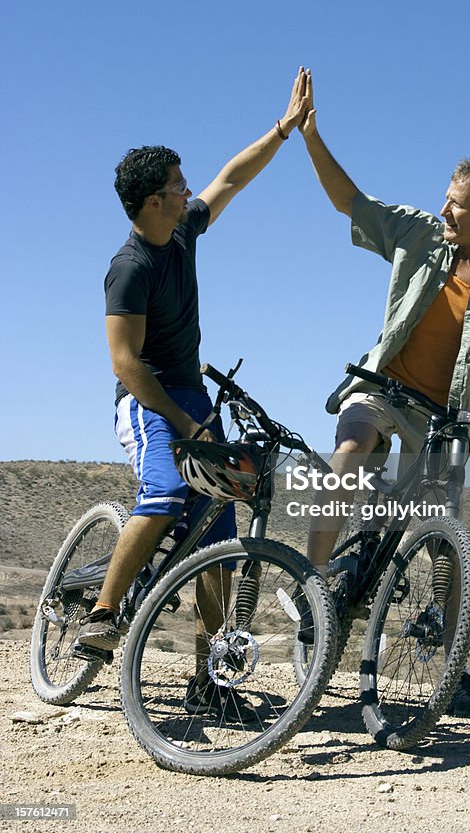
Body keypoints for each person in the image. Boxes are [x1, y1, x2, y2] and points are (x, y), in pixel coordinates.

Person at [299, 71, 470, 718]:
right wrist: (311, 136)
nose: (444, 209)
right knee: (352, 443)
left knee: (444, 540)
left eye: (456, 203)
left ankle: (448, 663)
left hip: (447, 422)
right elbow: (350, 201)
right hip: (383, 386)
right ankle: (314, 587)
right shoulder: (420, 234)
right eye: (445, 199)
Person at [75, 69, 309, 716]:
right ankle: (101, 614)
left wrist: (283, 130)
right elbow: (126, 364)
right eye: (178, 183)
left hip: (192, 401)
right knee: (171, 491)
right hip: (148, 400)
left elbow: (231, 178)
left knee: (220, 532)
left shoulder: (181, 232)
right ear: (155, 199)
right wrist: (183, 418)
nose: (188, 189)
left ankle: (207, 677)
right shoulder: (129, 269)